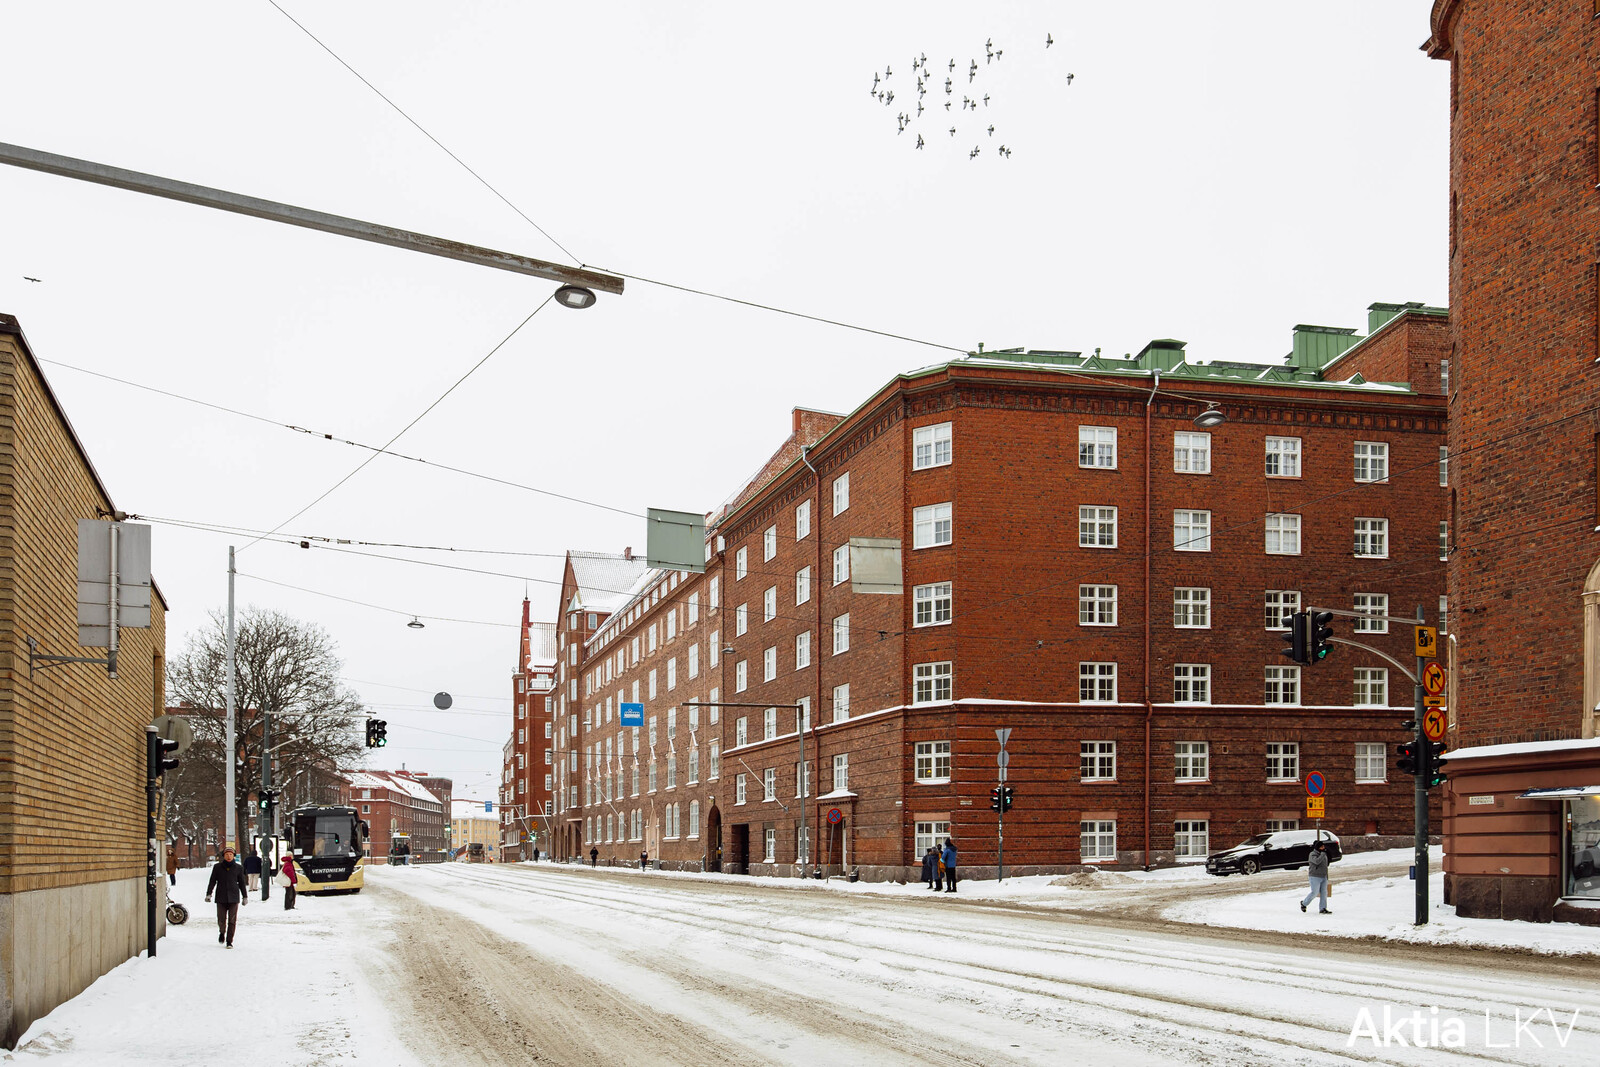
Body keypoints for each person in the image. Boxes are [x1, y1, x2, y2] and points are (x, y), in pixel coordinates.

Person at [204, 846, 248, 948]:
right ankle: (222, 932)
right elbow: (212, 881)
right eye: (227, 854)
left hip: (233, 897)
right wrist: (209, 894)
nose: (229, 856)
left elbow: (242, 883)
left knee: (232, 920)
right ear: (223, 856)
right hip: (221, 896)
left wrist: (245, 896)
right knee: (221, 919)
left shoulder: (238, 868)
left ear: (234, 856)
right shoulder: (217, 867)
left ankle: (229, 941)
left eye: (231, 855)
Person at [1301, 840, 1332, 914]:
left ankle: (1323, 908)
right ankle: (1304, 903)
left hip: (1323, 876)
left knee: (1324, 893)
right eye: (1321, 847)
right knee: (1315, 892)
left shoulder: (1323, 854)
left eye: (1323, 846)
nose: (1323, 848)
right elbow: (1317, 862)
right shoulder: (1312, 854)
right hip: (1314, 876)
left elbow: (1326, 864)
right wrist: (1323, 854)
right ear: (1318, 847)